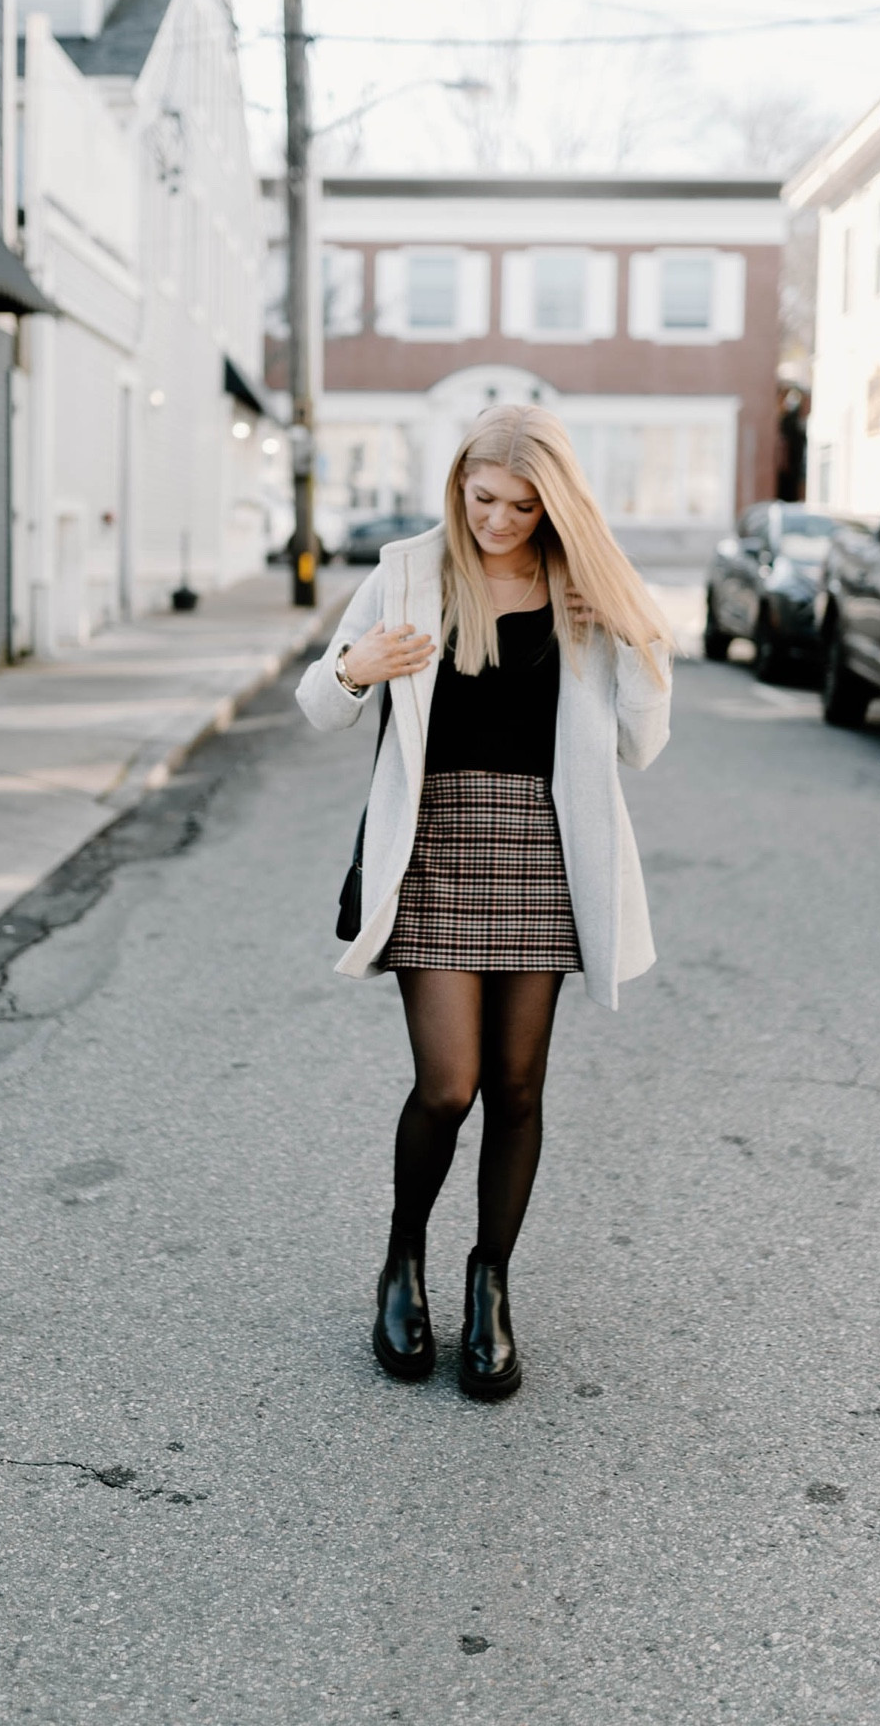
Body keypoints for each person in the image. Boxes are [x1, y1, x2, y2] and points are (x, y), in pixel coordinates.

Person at [295, 406, 672, 1399]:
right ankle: (402, 1260)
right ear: (457, 486)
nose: (498, 518)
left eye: (521, 502)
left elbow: (640, 743)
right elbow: (316, 704)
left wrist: (639, 642)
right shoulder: (407, 571)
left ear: (553, 503)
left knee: (516, 1088)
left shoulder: (581, 585)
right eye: (482, 497)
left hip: (544, 851)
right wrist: (351, 669)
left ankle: (489, 1279)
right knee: (447, 1083)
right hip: (434, 847)